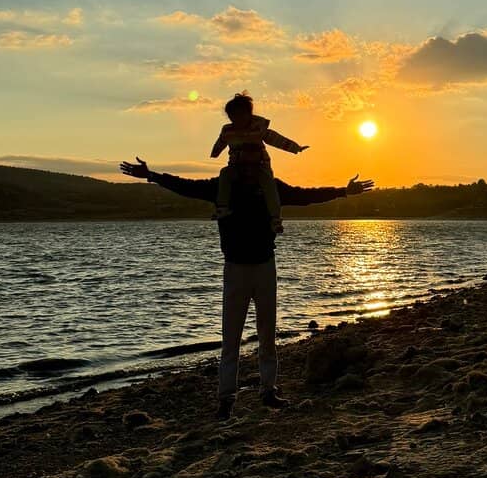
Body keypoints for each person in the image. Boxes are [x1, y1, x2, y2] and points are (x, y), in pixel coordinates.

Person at [119, 156, 374, 419]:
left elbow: (305, 195)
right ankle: (226, 399)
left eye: (255, 163)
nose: (250, 168)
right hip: (236, 268)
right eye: (245, 163)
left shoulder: (270, 187)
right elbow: (187, 186)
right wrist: (152, 175)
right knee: (231, 337)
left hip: (264, 265)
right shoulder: (223, 187)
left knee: (266, 332)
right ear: (236, 163)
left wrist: (343, 191)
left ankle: (267, 391)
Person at [211, 92, 307, 234]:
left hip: (259, 164)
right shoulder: (228, 130)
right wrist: (215, 153)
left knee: (269, 184)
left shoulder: (258, 128)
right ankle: (222, 208)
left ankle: (275, 218)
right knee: (224, 174)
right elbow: (221, 142)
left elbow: (275, 139)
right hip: (236, 166)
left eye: (240, 115)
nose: (236, 119)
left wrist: (295, 147)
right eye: (232, 116)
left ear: (248, 114)